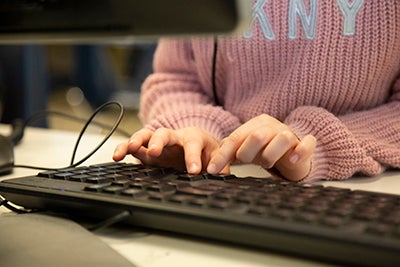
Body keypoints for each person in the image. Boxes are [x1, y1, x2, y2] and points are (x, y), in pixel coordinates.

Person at [113, 0, 400, 182]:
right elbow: (176, 78)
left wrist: (315, 146)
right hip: (220, 185)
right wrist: (193, 132)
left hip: (365, 192)